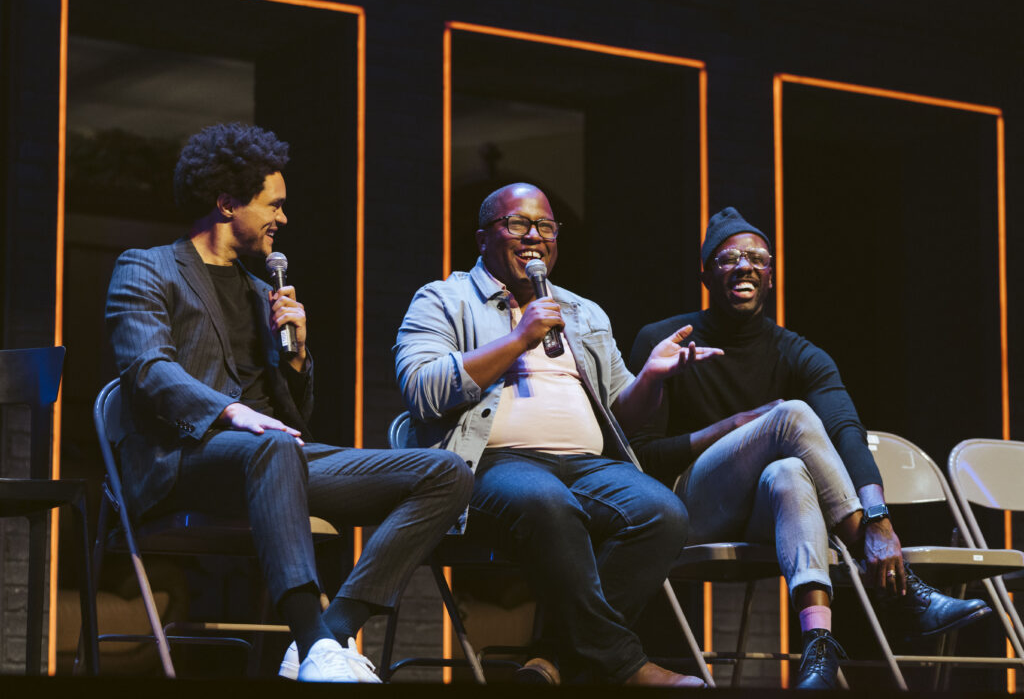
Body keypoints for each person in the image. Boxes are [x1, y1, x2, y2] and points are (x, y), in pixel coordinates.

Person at [105, 123, 473, 682]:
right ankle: (311, 635)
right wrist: (232, 412)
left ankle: (328, 636)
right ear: (228, 203)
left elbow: (294, 420)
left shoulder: (262, 293)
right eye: (273, 205)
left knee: (445, 472)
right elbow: (148, 372)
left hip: (271, 459)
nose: (283, 218)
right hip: (182, 459)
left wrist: (297, 356)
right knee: (272, 447)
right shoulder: (147, 268)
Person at [629, 206, 991, 689]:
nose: (745, 266)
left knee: (789, 474)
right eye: (729, 257)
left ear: (771, 276)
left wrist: (880, 515)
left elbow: (845, 427)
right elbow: (638, 457)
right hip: (685, 509)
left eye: (758, 257)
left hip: (764, 515)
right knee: (793, 415)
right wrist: (738, 424)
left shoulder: (796, 351)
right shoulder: (667, 341)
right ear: (706, 273)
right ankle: (900, 590)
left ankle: (819, 651)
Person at [394, 182, 722, 687]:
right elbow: (422, 390)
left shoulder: (584, 312)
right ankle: (625, 665)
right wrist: (519, 337)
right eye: (517, 224)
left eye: (545, 226)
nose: (534, 237)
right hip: (491, 465)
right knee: (549, 502)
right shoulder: (445, 298)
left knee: (662, 512)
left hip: (588, 466)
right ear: (483, 237)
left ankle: (553, 660)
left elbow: (620, 418)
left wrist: (653, 378)